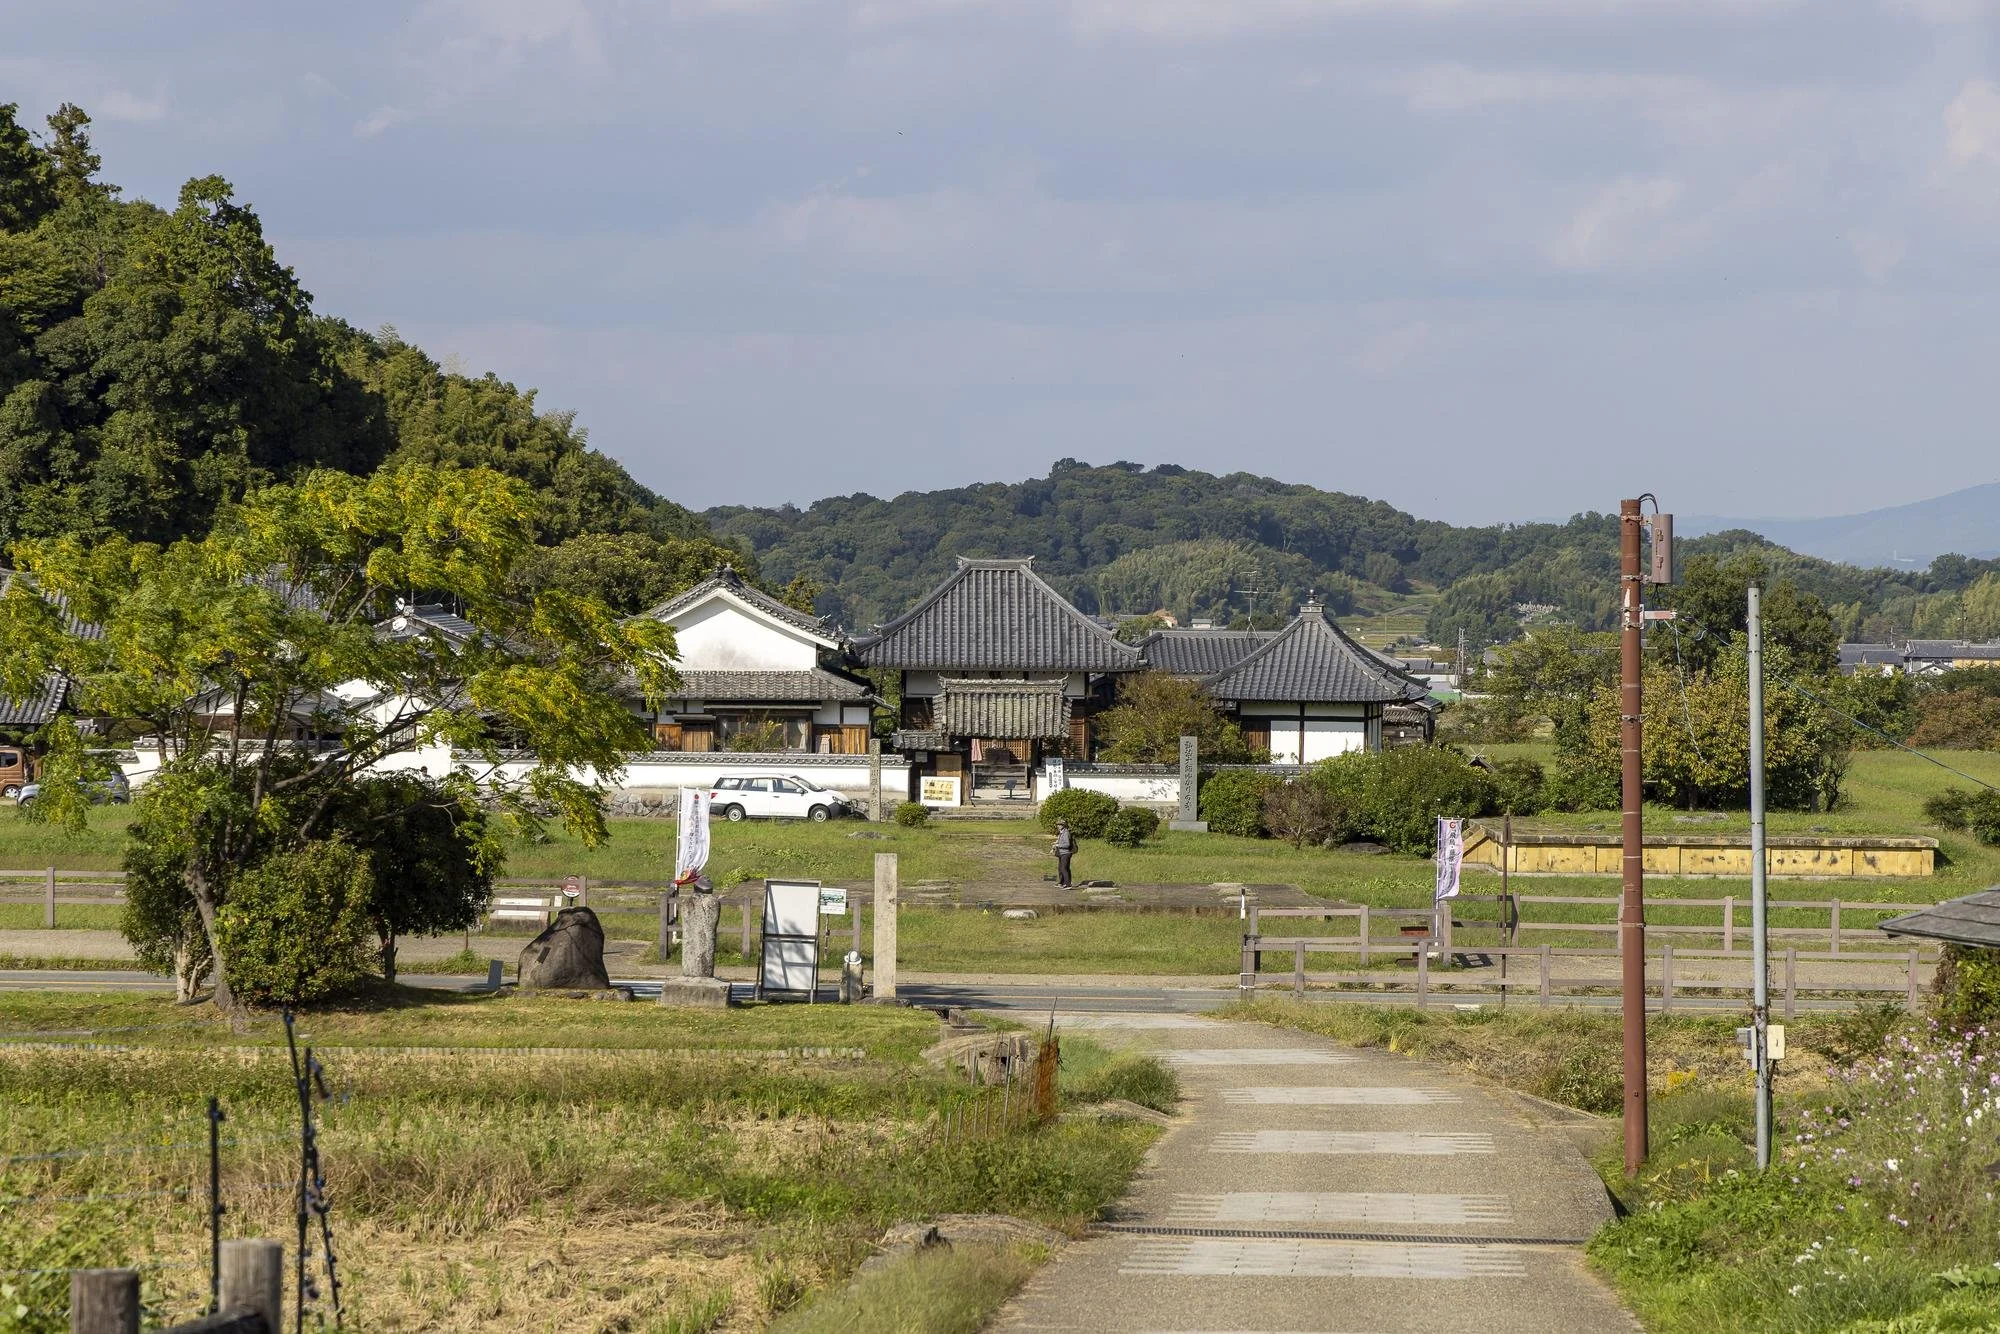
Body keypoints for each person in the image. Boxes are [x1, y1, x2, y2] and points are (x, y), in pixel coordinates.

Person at [1053, 818, 1075, 888]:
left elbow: (1067, 844)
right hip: (1062, 853)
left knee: (1064, 868)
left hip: (1066, 853)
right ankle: (1062, 882)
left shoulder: (1066, 833)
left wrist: (1058, 845)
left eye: (1060, 825)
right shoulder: (1062, 832)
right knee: (1061, 868)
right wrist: (1056, 843)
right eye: (1058, 824)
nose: (1058, 826)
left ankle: (1068, 884)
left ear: (1064, 825)